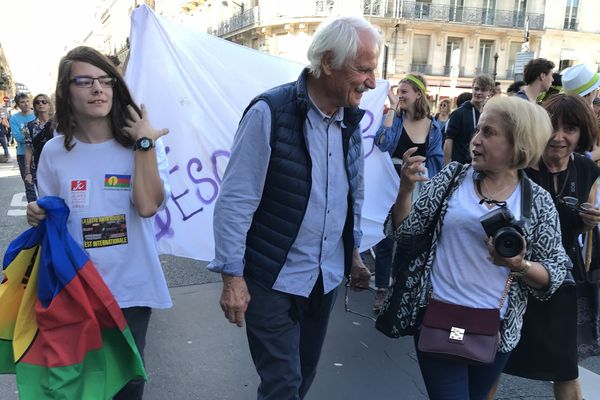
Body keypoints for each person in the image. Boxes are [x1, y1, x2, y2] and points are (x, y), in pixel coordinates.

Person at [207, 16, 378, 400]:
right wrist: (233, 279)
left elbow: (352, 195)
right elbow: (235, 201)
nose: (370, 81)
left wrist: (352, 253)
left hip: (324, 279)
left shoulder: (350, 121)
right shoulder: (269, 112)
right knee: (283, 385)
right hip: (272, 278)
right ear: (330, 61)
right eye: (363, 69)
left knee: (302, 378)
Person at [387, 95, 568, 399]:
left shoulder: (536, 201)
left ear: (518, 144)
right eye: (478, 130)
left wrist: (519, 265)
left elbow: (555, 273)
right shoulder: (452, 178)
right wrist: (405, 189)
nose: (476, 140)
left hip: (495, 333)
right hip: (441, 320)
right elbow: (405, 233)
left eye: (489, 132)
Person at [26, 46, 172, 400]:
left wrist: (144, 144)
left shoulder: (142, 143)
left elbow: (148, 205)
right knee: (80, 388)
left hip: (131, 291)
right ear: (66, 91)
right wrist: (37, 215)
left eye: (106, 81)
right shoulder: (54, 152)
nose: (98, 89)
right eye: (85, 81)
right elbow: (54, 221)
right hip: (75, 292)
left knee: (125, 388)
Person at [500, 94, 600, 400]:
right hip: (515, 276)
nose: (558, 137)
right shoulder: (522, 164)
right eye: (552, 127)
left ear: (581, 133)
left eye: (569, 129)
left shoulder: (586, 169)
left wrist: (589, 221)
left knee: (565, 366)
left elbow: (578, 229)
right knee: (493, 360)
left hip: (565, 280)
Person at [371, 74, 443, 312]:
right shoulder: (394, 118)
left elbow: (437, 161)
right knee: (385, 237)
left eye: (404, 92)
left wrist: (422, 171)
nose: (400, 95)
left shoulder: (434, 127)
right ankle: (382, 288)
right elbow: (382, 142)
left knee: (410, 238)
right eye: (398, 91)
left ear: (418, 95)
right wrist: (392, 109)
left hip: (418, 185)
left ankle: (401, 291)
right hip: (390, 180)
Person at [443, 73, 494, 165]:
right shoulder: (459, 113)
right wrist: (446, 167)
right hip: (459, 165)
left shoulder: (488, 113)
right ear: (472, 88)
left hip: (479, 166)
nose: (478, 92)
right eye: (476, 89)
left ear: (489, 92)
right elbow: (449, 140)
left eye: (483, 90)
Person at [23, 94, 55, 197]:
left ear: (49, 105)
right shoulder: (29, 126)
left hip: (57, 164)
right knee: (44, 197)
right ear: (35, 106)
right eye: (37, 102)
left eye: (44, 101)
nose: (41, 104)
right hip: (39, 166)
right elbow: (28, 148)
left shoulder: (58, 123)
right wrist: (27, 172)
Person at [10, 93, 36, 202]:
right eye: (22, 102)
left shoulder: (37, 114)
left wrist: (26, 134)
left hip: (39, 153)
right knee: (29, 185)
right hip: (23, 154)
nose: (25, 104)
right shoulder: (14, 118)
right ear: (17, 105)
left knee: (43, 183)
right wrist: (35, 135)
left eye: (27, 101)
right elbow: (18, 137)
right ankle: (33, 212)